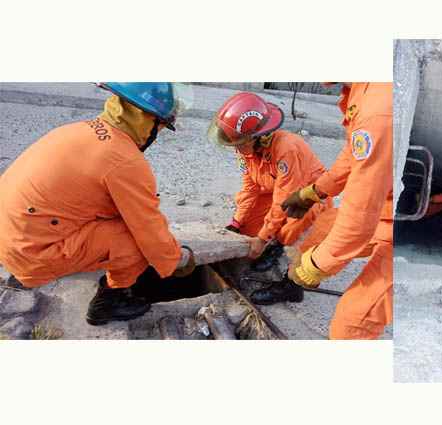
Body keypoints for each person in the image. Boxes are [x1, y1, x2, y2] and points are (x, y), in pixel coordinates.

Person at [0, 83, 197, 325]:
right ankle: (109, 302)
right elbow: (148, 228)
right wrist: (175, 259)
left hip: (11, 236)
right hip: (31, 255)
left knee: (119, 216)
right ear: (150, 122)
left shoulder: (75, 130)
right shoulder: (125, 161)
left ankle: (53, 260)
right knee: (137, 243)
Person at [279, 82, 394, 340]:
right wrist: (317, 191)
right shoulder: (362, 90)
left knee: (350, 327)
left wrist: (317, 265)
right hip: (387, 210)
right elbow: (352, 152)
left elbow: (361, 211)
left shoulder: (376, 112)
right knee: (323, 227)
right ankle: (291, 287)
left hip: (406, 230)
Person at [206, 92, 337, 304]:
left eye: (238, 144)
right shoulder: (245, 150)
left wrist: (264, 239)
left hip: (305, 194)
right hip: (276, 190)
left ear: (257, 138)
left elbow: (283, 199)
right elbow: (250, 189)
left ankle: (278, 246)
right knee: (248, 229)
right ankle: (268, 235)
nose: (236, 149)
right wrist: (237, 222)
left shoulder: (286, 150)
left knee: (294, 218)